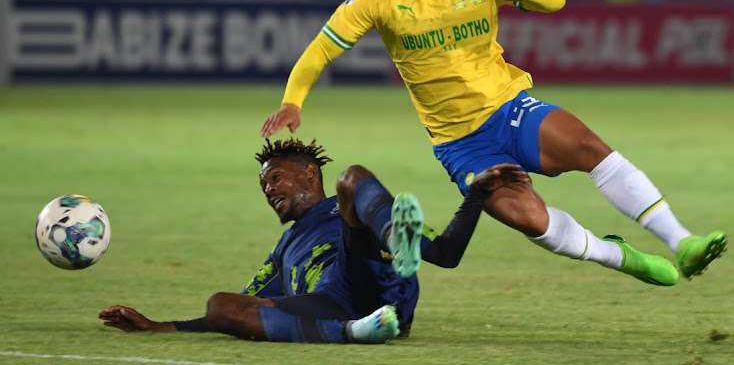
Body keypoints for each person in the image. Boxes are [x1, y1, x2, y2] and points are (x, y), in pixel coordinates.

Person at [260, 0, 726, 287]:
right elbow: (321, 49)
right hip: (459, 143)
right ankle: (618, 256)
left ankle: (681, 241)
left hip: (509, 106)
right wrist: (292, 101)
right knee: (531, 220)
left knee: (588, 147)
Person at [100, 137, 529, 344]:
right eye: (263, 186)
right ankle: (353, 332)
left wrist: (476, 193)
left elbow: (447, 255)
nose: (268, 190)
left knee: (353, 178)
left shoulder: (351, 207)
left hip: (370, 277)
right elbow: (236, 313)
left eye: (275, 178)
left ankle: (398, 246)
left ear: (309, 175)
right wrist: (162, 325)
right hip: (329, 307)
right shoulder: (283, 250)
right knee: (220, 303)